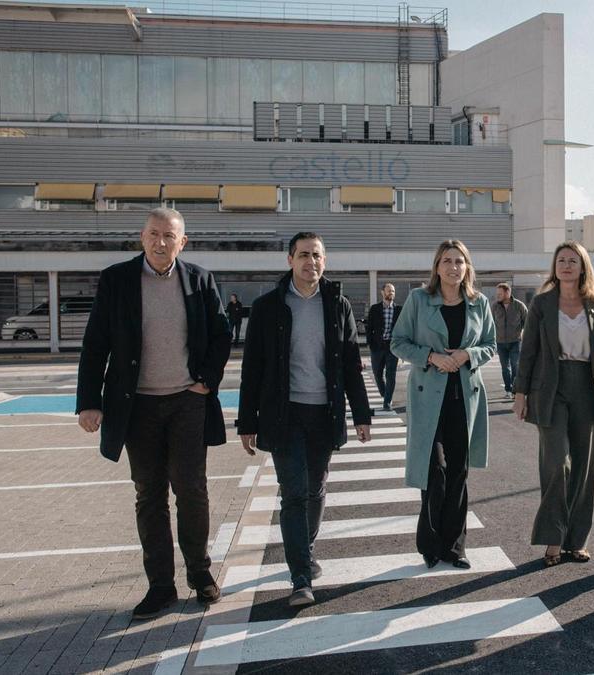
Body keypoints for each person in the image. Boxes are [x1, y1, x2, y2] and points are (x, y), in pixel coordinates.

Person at [75, 207, 231, 619]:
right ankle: (161, 586)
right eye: (154, 234)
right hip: (137, 404)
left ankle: (200, 573)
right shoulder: (117, 280)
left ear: (183, 242)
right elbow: (95, 343)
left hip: (187, 402)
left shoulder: (199, 279)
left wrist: (207, 380)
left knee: (191, 489)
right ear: (142, 237)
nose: (161, 242)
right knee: (149, 494)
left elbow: (222, 334)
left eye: (169, 236)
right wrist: (89, 401)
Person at [236, 232, 373, 607]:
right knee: (294, 493)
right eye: (303, 255)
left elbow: (351, 363)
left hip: (324, 413)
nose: (310, 262)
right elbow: (252, 368)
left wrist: (362, 415)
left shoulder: (338, 305)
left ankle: (306, 550)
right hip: (284, 414)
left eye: (317, 255)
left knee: (316, 489)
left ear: (324, 261)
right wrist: (247, 422)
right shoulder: (267, 307)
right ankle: (300, 578)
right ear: (290, 260)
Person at [391, 240, 497, 570]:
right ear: (437, 267)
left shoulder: (479, 303)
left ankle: (455, 547)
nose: (453, 267)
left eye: (459, 261)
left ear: (467, 267)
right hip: (428, 398)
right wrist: (431, 357)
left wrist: (468, 354)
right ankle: (430, 544)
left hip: (465, 397)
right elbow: (398, 342)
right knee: (434, 470)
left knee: (458, 473)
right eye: (447, 261)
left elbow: (490, 344)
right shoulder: (419, 300)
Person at [513, 242, 594, 567]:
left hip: (586, 387)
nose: (567, 265)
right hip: (550, 389)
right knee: (556, 463)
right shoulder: (542, 304)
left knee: (583, 468)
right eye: (561, 260)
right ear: (555, 267)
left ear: (583, 266)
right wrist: (520, 393)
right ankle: (553, 538)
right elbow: (528, 351)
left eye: (573, 260)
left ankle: (577, 540)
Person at [367, 283, 402, 410]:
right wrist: (370, 344)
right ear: (382, 292)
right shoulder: (374, 309)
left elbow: (404, 329)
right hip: (377, 347)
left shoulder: (399, 310)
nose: (391, 293)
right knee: (377, 374)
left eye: (393, 291)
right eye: (388, 291)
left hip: (392, 347)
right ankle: (384, 394)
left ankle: (387, 401)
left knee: (390, 375)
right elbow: (369, 328)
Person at [493, 282, 528, 399]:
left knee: (515, 366)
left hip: (515, 342)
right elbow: (491, 324)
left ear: (507, 292)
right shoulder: (495, 306)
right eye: (497, 293)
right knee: (505, 368)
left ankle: (515, 391)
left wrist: (524, 336)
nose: (497, 296)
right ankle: (508, 390)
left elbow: (527, 322)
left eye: (500, 293)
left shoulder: (519, 306)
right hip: (500, 342)